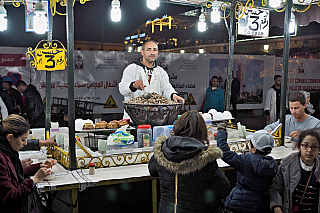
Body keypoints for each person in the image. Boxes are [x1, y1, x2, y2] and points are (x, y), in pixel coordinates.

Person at [148, 110, 230, 213]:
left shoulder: (162, 151)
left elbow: (152, 170)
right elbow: (223, 190)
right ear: (202, 131)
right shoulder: (205, 158)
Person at [0, 114, 57, 213]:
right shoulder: (2, 158)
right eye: (23, 139)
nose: (25, 143)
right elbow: (10, 196)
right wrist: (35, 180)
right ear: (10, 137)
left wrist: (38, 167)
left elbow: (14, 174)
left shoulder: (8, 151)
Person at [217, 125, 278, 213]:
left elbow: (224, 153)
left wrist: (221, 132)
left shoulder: (245, 160)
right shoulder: (273, 164)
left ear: (253, 148)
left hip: (237, 205)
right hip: (259, 206)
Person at [119, 40, 184, 119]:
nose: (152, 53)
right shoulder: (131, 69)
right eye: (149, 50)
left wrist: (173, 95)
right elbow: (122, 89)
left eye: (154, 50)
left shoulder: (161, 71)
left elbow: (167, 87)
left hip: (156, 117)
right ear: (142, 52)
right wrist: (133, 86)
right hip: (134, 118)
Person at [269, 129, 320, 213]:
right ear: (299, 147)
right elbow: (275, 189)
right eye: (305, 145)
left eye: (314, 147)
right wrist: (277, 208)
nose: (309, 150)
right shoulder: (286, 165)